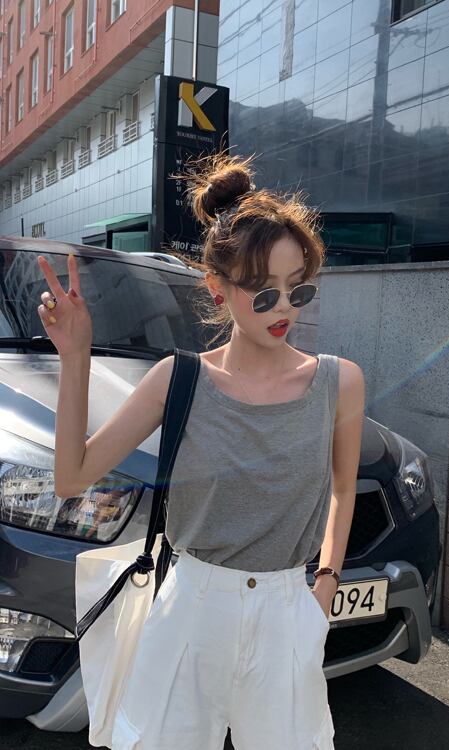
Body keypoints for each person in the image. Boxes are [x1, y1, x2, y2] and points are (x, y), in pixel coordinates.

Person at [36, 154, 365, 750]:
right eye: (262, 292)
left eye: (298, 287)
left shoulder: (338, 382)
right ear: (218, 288)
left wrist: (325, 585)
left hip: (287, 611)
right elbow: (71, 476)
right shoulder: (178, 379)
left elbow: (344, 488)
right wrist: (76, 357)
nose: (284, 307)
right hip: (190, 609)